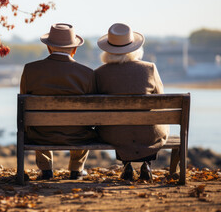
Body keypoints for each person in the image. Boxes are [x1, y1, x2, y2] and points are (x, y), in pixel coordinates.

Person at [20, 23, 97, 180]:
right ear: (74, 50)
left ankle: (46, 169)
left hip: (41, 135)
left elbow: (25, 103)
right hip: (78, 136)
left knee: (37, 121)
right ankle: (76, 169)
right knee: (83, 122)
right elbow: (93, 113)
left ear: (49, 48)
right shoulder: (87, 74)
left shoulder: (30, 70)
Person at [94, 23, 169, 181]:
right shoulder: (150, 69)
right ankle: (146, 164)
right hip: (149, 133)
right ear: (135, 48)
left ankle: (127, 164)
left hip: (114, 134)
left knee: (120, 128)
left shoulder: (99, 73)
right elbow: (161, 101)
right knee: (149, 126)